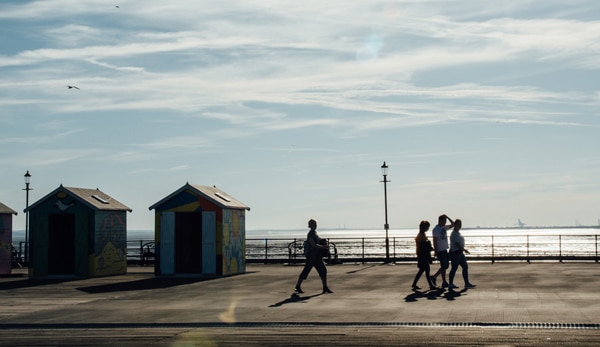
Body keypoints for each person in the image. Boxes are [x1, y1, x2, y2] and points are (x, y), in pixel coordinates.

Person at [295, 219, 333, 294]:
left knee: (323, 270)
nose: (315, 226)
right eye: (314, 224)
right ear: (311, 225)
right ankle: (298, 286)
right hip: (311, 256)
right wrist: (323, 247)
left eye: (316, 224)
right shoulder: (310, 234)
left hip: (317, 256)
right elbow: (313, 245)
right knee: (306, 271)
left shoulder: (314, 233)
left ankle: (325, 287)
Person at [448, 219, 476, 289]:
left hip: (460, 253)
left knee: (465, 267)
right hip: (455, 253)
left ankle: (467, 283)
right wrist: (464, 249)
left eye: (460, 224)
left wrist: (462, 250)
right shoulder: (453, 234)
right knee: (454, 268)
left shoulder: (458, 233)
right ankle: (450, 283)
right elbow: (456, 244)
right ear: (455, 225)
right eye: (458, 224)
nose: (459, 226)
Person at [411, 220, 437, 290]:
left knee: (422, 270)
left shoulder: (422, 235)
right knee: (427, 270)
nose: (427, 228)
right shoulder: (421, 235)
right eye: (427, 227)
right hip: (422, 255)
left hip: (422, 255)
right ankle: (431, 285)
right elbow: (421, 246)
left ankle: (414, 284)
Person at [430, 214, 454, 289]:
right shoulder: (436, 229)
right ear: (440, 220)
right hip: (440, 250)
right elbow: (435, 240)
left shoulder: (444, 227)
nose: (445, 222)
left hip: (445, 249)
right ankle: (439, 279)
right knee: (444, 266)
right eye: (444, 221)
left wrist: (448, 217)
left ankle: (436, 278)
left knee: (445, 266)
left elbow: (453, 224)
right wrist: (436, 250)